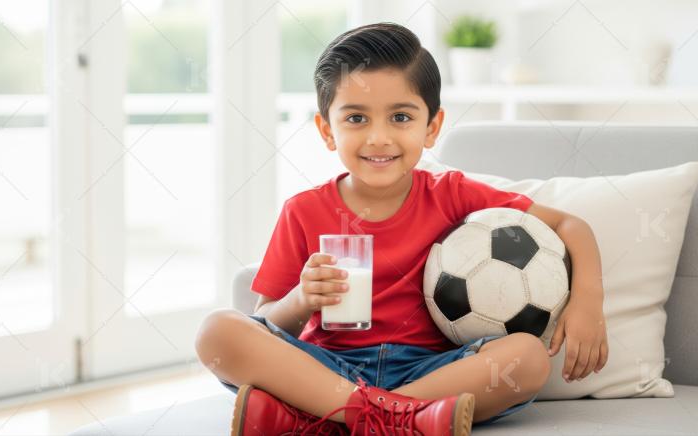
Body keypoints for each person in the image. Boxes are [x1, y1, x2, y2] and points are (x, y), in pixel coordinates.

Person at [195, 22, 608, 436]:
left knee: (528, 357)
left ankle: (325, 418)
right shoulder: (303, 211)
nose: (379, 137)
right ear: (327, 131)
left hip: (431, 370)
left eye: (400, 117)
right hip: (328, 370)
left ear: (431, 127)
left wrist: (587, 300)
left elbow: (570, 224)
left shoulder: (452, 195)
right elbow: (267, 320)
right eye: (356, 118)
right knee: (218, 331)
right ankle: (399, 419)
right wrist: (301, 299)